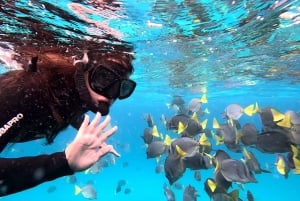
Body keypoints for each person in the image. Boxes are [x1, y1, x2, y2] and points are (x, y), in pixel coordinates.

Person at [0, 49, 136, 196]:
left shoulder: (74, 91)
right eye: (104, 78)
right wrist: (64, 162)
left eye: (123, 87)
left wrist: (84, 126)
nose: (111, 95)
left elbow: (67, 105)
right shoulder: (24, 93)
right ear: (81, 68)